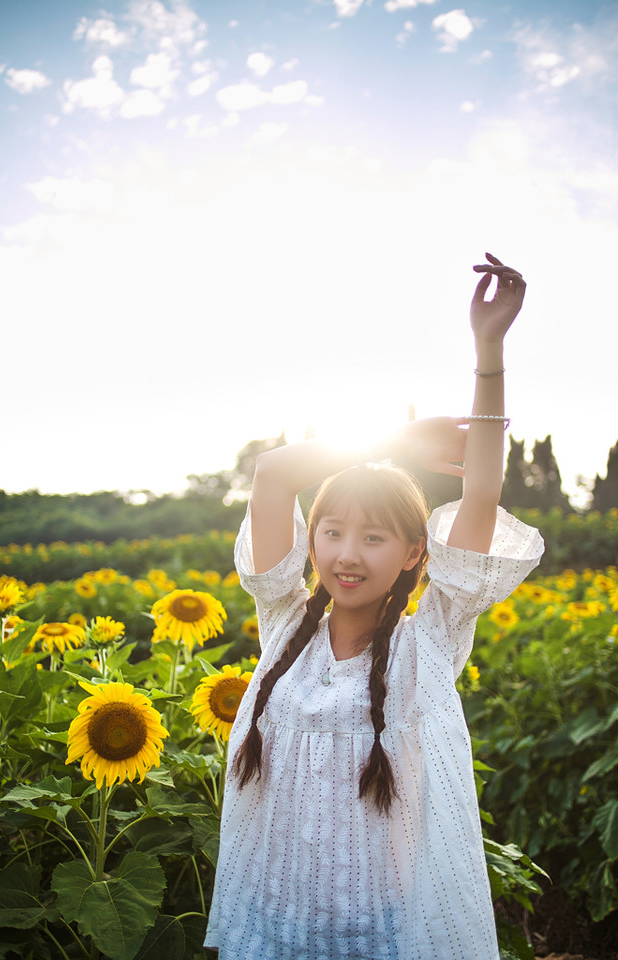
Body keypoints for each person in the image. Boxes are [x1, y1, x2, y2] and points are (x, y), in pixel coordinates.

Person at [204, 253, 545, 960]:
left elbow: (479, 495)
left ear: (416, 552)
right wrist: (394, 444)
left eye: (373, 536)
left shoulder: (432, 640)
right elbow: (272, 476)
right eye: (332, 532)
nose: (347, 554)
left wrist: (489, 351)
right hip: (280, 920)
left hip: (383, 929)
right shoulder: (285, 622)